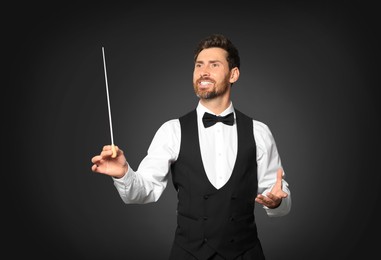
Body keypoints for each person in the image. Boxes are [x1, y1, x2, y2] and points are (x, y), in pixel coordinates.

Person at [91, 34, 291, 260]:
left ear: (233, 74)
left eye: (214, 65)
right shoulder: (172, 131)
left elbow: (278, 195)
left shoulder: (259, 132)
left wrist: (276, 203)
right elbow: (142, 191)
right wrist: (124, 174)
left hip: (246, 254)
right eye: (199, 65)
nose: (204, 71)